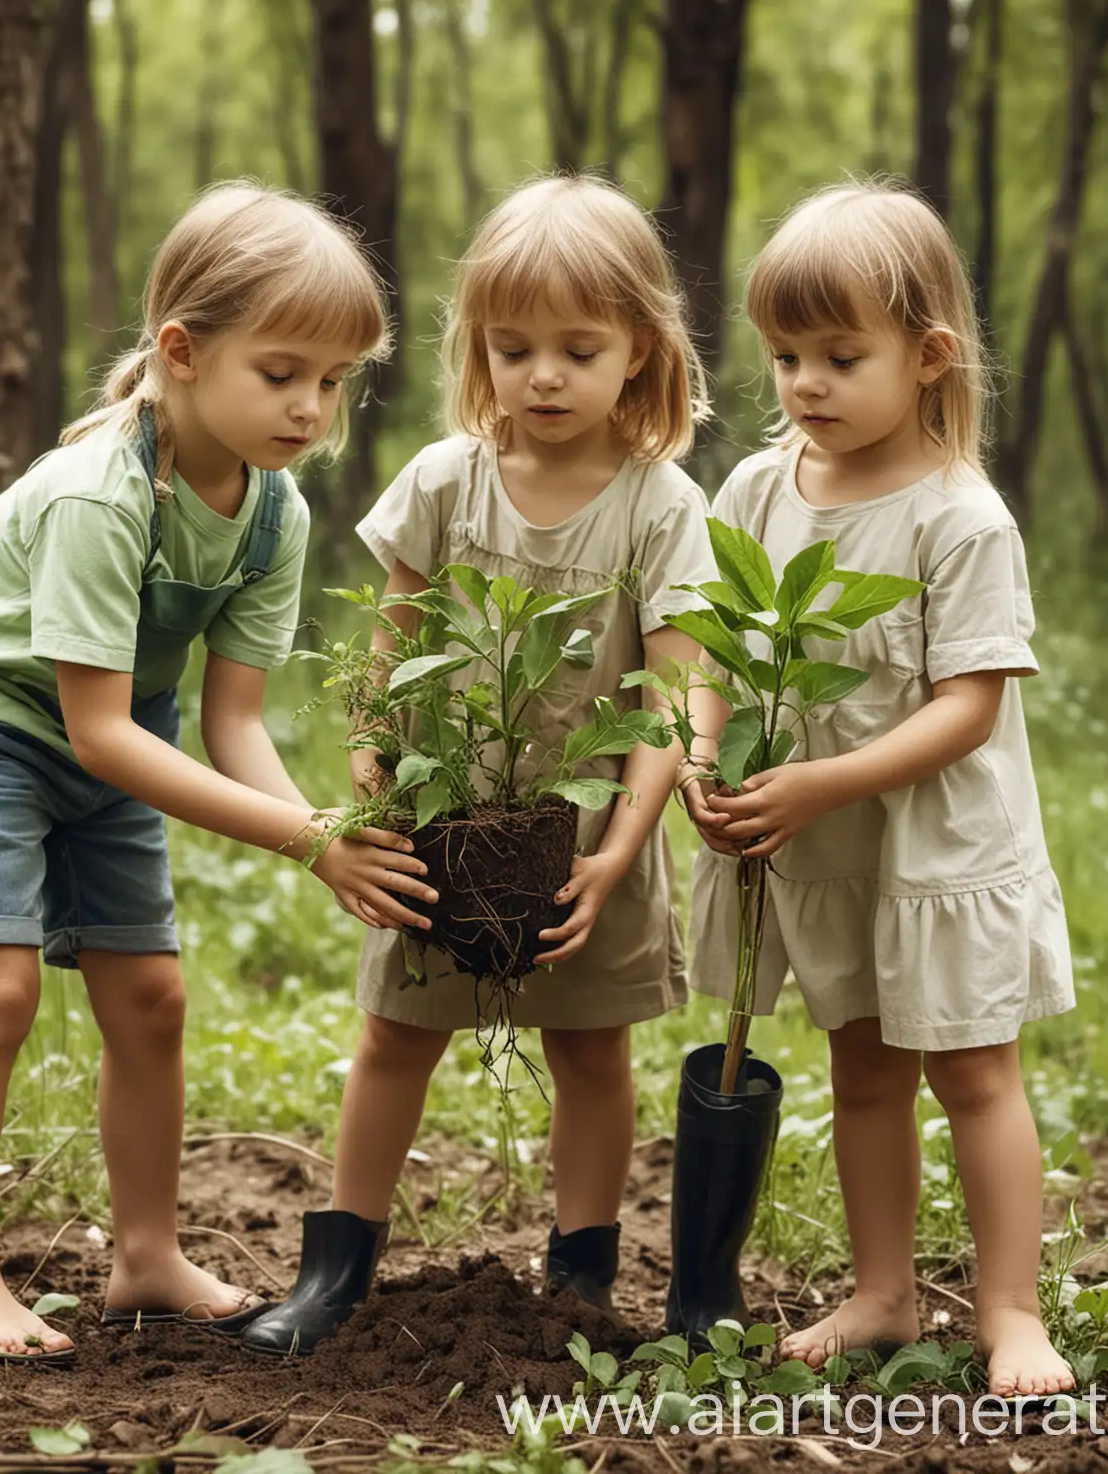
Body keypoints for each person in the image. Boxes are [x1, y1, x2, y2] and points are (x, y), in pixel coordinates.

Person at [0, 182, 438, 1362]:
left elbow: (232, 723)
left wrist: (329, 833)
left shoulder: (273, 512)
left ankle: (144, 1256)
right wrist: (304, 839)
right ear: (181, 353)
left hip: (118, 724)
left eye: (334, 381)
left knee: (151, 999)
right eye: (282, 372)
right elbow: (96, 733)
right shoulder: (104, 495)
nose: (311, 407)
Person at [242, 173, 716, 1356]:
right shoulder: (446, 482)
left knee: (590, 1049)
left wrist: (616, 859)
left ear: (641, 354)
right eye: (513, 348)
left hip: (588, 844)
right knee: (394, 1034)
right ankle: (337, 1266)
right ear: (479, 352)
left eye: (577, 347)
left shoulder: (660, 507)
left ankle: (584, 1277)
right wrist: (371, 777)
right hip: (438, 828)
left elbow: (671, 692)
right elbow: (389, 648)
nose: (542, 374)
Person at [682, 181, 1077, 1397]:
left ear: (929, 355)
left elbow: (970, 709)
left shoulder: (960, 519)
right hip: (822, 841)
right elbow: (713, 640)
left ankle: (1011, 1308)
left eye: (841, 355)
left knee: (971, 1070)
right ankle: (886, 1291)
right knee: (862, 1066)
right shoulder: (758, 490)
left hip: (933, 848)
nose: (805, 382)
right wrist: (705, 752)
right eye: (786, 354)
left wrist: (820, 783)